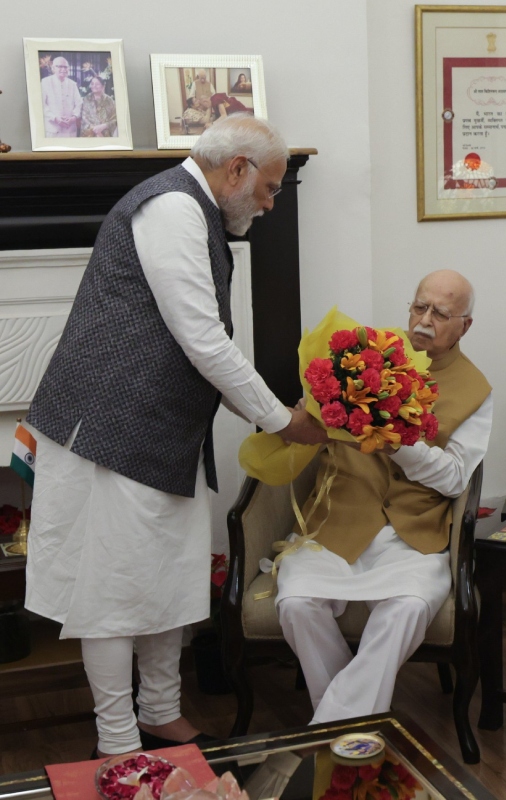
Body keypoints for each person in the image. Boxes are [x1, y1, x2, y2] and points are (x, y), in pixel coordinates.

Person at [24, 114, 327, 758]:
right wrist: (282, 420)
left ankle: (161, 713)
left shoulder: (198, 211)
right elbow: (204, 341)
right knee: (110, 591)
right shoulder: (170, 208)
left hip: (161, 431)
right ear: (236, 168)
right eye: (270, 187)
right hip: (110, 429)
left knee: (167, 576)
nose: (272, 203)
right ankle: (117, 739)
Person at [275, 270, 492, 723]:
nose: (425, 320)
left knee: (408, 607)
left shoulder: (477, 391)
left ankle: (331, 729)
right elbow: (311, 420)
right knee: (296, 602)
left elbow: (455, 479)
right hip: (334, 522)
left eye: (440, 313)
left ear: (464, 326)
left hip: (411, 535)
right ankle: (353, 727)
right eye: (419, 306)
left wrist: (400, 441)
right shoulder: (361, 354)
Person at [41, 56, 83, 137]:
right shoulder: (45, 82)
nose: (63, 69)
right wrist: (55, 118)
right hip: (52, 129)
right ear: (53, 68)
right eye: (60, 66)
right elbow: (41, 105)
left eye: (65, 67)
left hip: (70, 128)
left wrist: (74, 118)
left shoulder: (72, 84)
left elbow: (79, 103)